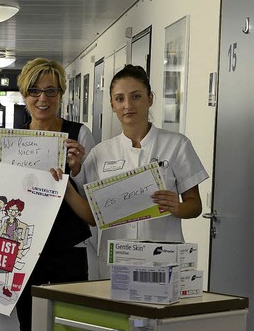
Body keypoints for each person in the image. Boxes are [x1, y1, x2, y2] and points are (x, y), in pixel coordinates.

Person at [15, 58, 96, 331]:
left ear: (62, 94)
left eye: (50, 90)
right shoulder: (12, 141)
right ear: (23, 95)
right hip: (26, 252)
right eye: (34, 91)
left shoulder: (80, 135)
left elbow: (94, 207)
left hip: (68, 250)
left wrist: (76, 171)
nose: (42, 99)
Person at [71, 64, 208, 278]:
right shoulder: (101, 153)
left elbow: (195, 205)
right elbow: (91, 212)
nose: (128, 105)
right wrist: (73, 172)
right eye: (120, 99)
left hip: (164, 260)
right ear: (112, 104)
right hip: (115, 262)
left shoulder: (177, 144)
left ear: (150, 99)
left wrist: (177, 207)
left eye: (136, 96)